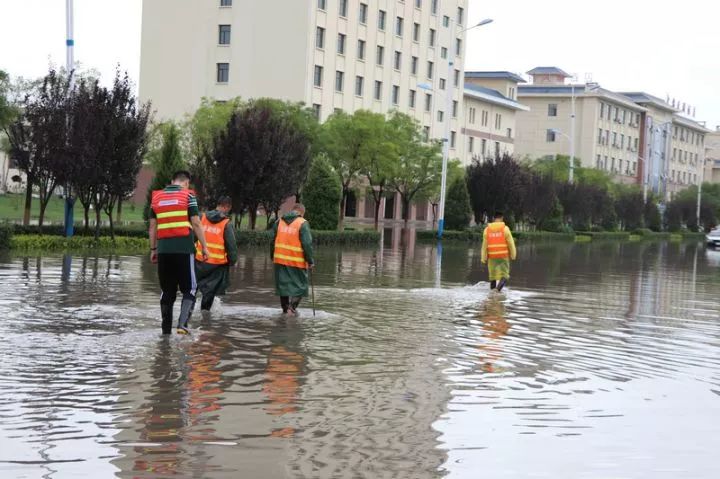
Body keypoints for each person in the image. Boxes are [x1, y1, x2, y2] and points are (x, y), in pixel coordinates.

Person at [149, 170, 209, 335]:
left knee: (167, 291)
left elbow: (152, 227)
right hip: (184, 249)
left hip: (163, 251)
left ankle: (165, 332)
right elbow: (196, 223)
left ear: (172, 180)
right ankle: (182, 324)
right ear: (186, 183)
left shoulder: (156, 198)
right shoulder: (188, 196)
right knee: (190, 289)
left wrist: (153, 249)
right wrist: (204, 246)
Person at [194, 196, 238, 311]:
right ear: (226, 207)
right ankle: (205, 319)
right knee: (209, 292)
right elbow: (231, 247)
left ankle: (188, 312)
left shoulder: (201, 218)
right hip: (216, 265)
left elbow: (192, 237)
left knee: (193, 289)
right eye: (228, 209)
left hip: (199, 261)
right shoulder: (226, 224)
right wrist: (232, 261)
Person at [271, 203, 314, 315]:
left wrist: (272, 256)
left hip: (279, 260)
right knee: (302, 286)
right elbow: (307, 244)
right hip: (296, 261)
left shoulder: (278, 222)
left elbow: (272, 241)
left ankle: (285, 310)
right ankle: (291, 308)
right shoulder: (302, 223)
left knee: (283, 287)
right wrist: (310, 261)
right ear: (302, 212)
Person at [481, 211, 517, 293]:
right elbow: (511, 244)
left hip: (491, 256)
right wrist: (513, 255)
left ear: (493, 218)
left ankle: (492, 293)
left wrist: (483, 257)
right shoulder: (505, 229)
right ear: (502, 218)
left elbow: (484, 246)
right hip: (503, 256)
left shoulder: (487, 230)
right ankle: (497, 291)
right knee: (505, 275)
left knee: (493, 277)